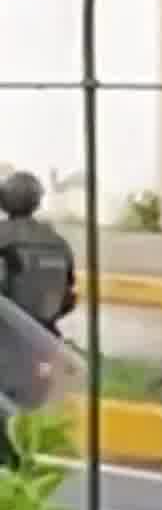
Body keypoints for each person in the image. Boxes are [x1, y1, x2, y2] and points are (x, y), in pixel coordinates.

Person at [0, 171, 76, 468]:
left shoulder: (2, 239)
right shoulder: (58, 242)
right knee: (22, 426)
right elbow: (69, 296)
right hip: (44, 344)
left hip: (7, 344)